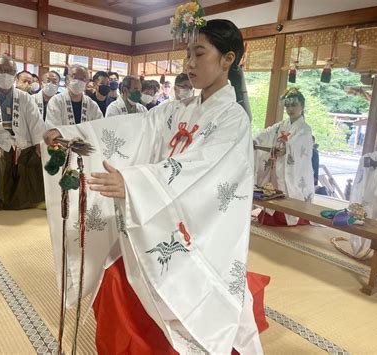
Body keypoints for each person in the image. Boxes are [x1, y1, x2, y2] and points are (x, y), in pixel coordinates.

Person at [43, 18, 263, 354]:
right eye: (187, 54)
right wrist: (72, 138)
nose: (189, 63)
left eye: (199, 54)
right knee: (115, 266)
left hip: (200, 229)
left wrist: (133, 184)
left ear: (228, 59)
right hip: (160, 213)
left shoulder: (234, 118)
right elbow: (135, 128)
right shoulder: (180, 109)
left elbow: (203, 172)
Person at [0, 54, 46, 217]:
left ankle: (38, 198)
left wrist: (39, 145)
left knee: (39, 155)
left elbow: (35, 122)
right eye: (0, 70)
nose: (4, 73)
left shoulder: (24, 97)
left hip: (21, 140)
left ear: (15, 72)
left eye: (9, 70)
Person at [254, 88, 314, 226]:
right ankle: (273, 215)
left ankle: (292, 217)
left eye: (294, 105)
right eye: (287, 106)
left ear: (302, 106)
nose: (290, 109)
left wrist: (287, 148)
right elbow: (267, 133)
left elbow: (300, 145)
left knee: (291, 190)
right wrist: (255, 140)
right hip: (279, 165)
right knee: (276, 187)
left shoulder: (305, 129)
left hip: (294, 169)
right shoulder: (282, 125)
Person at [45, 64, 103, 129]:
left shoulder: (92, 105)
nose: (78, 81)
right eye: (75, 77)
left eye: (83, 79)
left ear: (87, 83)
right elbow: (53, 129)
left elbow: (99, 127)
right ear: (67, 79)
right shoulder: (56, 101)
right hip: (63, 139)